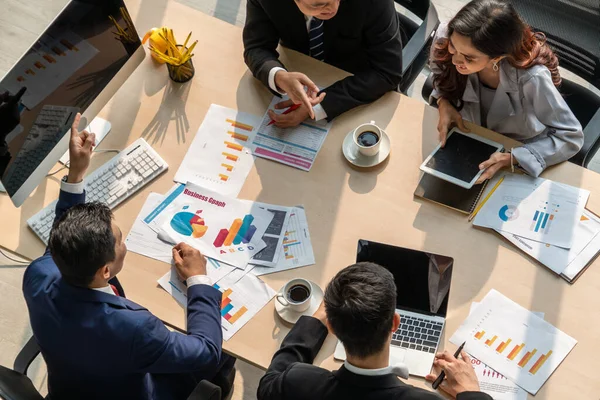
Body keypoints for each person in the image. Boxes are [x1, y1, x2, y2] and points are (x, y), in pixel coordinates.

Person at [22, 113, 235, 400]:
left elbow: (59, 239)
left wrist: (76, 174)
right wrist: (198, 278)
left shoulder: (38, 276)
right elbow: (205, 352)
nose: (124, 243)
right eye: (120, 241)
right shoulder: (135, 329)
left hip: (71, 387)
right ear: (106, 271)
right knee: (223, 356)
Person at [257, 262, 492, 400]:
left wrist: (315, 321)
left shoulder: (299, 382)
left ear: (334, 327)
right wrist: (471, 392)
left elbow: (267, 387)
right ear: (394, 323)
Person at [429, 0, 583, 180]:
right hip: (469, 139)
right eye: (453, 49)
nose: (455, 60)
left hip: (517, 148)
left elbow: (571, 136)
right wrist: (443, 101)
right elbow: (439, 75)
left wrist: (514, 158)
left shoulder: (532, 78)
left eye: (469, 58)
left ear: (497, 57)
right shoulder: (447, 36)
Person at [243, 0, 404, 128]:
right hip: (300, 66)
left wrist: (319, 106)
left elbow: (388, 72)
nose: (334, 7)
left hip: (359, 87)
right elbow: (256, 47)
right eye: (319, 5)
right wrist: (279, 76)